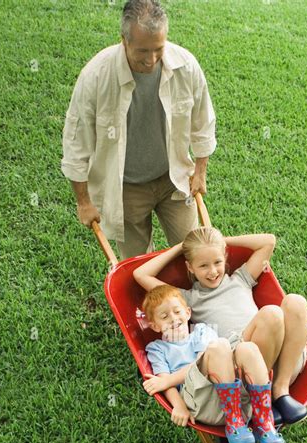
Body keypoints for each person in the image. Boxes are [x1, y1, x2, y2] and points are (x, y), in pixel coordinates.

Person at [61, 0, 216, 259]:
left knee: (194, 255)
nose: (151, 59)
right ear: (124, 40)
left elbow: (203, 122)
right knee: (138, 267)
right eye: (142, 50)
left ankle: (190, 300)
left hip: (173, 179)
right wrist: (84, 202)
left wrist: (200, 171)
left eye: (158, 49)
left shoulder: (186, 66)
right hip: (126, 187)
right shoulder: (95, 76)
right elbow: (76, 143)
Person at [133, 228, 307, 425]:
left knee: (296, 302)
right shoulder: (188, 300)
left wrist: (218, 242)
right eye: (203, 265)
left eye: (217, 262)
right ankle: (263, 396)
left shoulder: (241, 278)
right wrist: (179, 248)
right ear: (190, 268)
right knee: (271, 314)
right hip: (243, 368)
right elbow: (140, 274)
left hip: (284, 362)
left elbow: (268, 241)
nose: (212, 271)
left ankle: (280, 391)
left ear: (225, 257)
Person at [142, 284, 285, 443]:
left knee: (248, 348)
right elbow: (164, 381)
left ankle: (264, 421)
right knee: (220, 346)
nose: (173, 319)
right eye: (164, 316)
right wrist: (179, 405)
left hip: (233, 392)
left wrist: (167, 381)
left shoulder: (201, 331)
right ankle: (234, 421)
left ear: (188, 313)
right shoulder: (157, 348)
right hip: (200, 400)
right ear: (154, 326)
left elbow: (166, 382)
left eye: (177, 311)